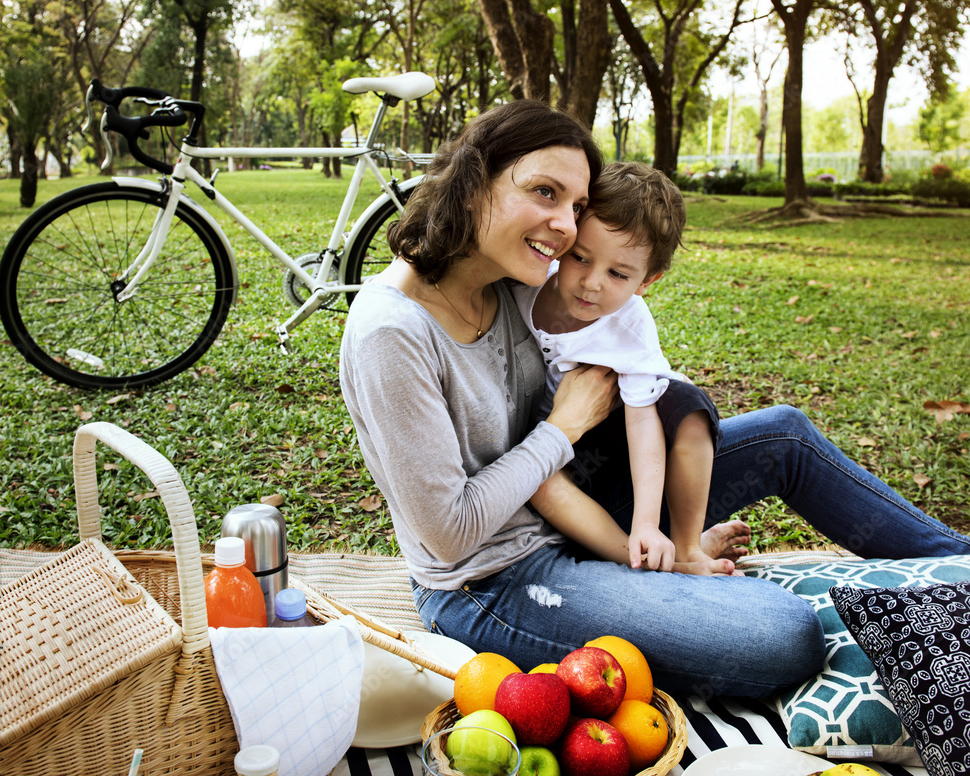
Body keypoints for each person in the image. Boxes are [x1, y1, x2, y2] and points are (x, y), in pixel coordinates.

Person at [338, 100, 970, 698]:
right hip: (495, 579)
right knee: (783, 634)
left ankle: (957, 563)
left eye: (576, 203)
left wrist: (655, 479)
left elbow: (620, 353)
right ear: (474, 183)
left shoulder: (513, 280)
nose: (563, 227)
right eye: (543, 192)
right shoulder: (392, 333)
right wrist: (563, 428)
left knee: (783, 434)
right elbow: (447, 536)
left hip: (580, 500)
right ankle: (661, 570)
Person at [511, 161, 729, 575]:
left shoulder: (627, 326)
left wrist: (647, 520)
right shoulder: (529, 279)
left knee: (687, 408)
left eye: (617, 273)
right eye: (580, 257)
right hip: (549, 440)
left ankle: (685, 547)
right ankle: (638, 553)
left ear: (647, 281)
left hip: (604, 441)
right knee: (538, 484)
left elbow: (642, 422)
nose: (591, 283)